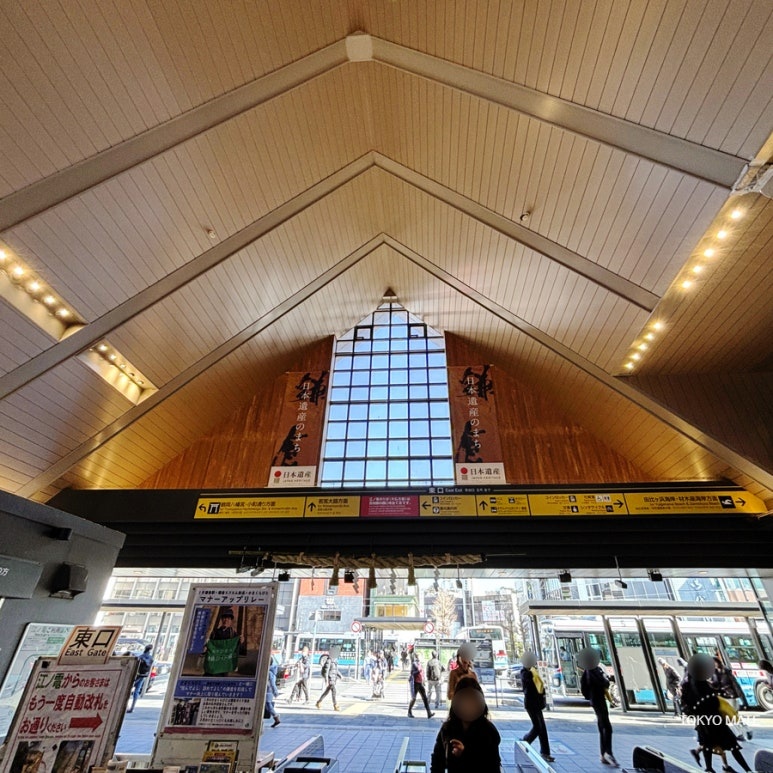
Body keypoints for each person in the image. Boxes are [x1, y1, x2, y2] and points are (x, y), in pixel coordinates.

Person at [681, 653, 752, 773]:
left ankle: (709, 768)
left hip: (702, 720)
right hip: (714, 718)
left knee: (708, 745)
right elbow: (711, 701)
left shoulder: (688, 684)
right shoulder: (700, 683)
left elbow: (689, 705)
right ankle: (747, 770)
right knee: (732, 745)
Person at [430, 677, 501, 772]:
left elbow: (492, 766)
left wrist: (464, 754)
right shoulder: (447, 729)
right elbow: (437, 762)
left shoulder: (488, 731)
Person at [579, 646, 618, 767]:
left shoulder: (587, 670)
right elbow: (605, 682)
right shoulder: (595, 670)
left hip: (594, 700)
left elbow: (583, 688)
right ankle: (607, 753)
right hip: (599, 699)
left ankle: (604, 754)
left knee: (602, 726)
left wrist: (589, 696)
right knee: (607, 726)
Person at [520, 651, 554, 762]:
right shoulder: (525, 672)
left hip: (537, 703)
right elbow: (529, 687)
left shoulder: (534, 671)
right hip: (530, 703)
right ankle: (525, 741)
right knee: (538, 726)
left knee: (542, 728)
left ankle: (545, 752)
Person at [204, 607, 245, 675]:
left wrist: (241, 642)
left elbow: (238, 649)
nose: (226, 620)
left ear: (231, 621)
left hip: (224, 665)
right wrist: (206, 646)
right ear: (221, 619)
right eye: (224, 618)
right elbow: (209, 646)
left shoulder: (233, 634)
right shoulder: (214, 633)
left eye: (228, 618)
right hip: (214, 663)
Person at [408, 653, 435, 718]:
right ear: (417, 657)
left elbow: (422, 673)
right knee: (414, 698)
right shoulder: (414, 664)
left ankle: (429, 713)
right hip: (415, 683)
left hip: (420, 683)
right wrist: (417, 671)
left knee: (425, 698)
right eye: (419, 656)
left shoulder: (420, 664)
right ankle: (409, 711)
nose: (420, 658)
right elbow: (412, 673)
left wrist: (423, 680)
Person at [127, 644, 153, 712]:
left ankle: (126, 705)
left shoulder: (140, 657)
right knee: (137, 691)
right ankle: (132, 707)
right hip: (143, 675)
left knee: (128, 690)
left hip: (136, 675)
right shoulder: (151, 658)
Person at [265, 658, 281, 727]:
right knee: (268, 705)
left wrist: (275, 692)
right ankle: (276, 718)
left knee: (268, 705)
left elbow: (272, 683)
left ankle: (276, 718)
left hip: (268, 690)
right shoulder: (272, 671)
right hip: (269, 691)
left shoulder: (269, 672)